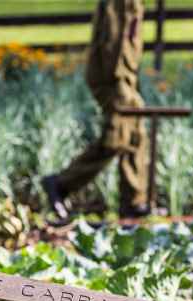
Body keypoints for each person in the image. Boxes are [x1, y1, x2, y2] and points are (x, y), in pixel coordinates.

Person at [42, 0, 150, 221]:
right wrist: (119, 81)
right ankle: (61, 184)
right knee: (116, 139)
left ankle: (134, 201)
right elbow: (113, 38)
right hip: (113, 76)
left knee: (136, 134)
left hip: (124, 77)